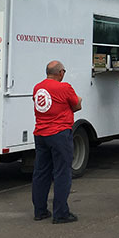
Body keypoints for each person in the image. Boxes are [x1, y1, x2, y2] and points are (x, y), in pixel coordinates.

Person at [32, 60, 82, 224]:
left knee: (41, 173)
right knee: (62, 173)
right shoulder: (64, 87)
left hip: (40, 134)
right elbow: (76, 106)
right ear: (60, 72)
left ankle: (40, 210)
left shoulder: (38, 88)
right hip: (59, 133)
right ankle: (60, 213)